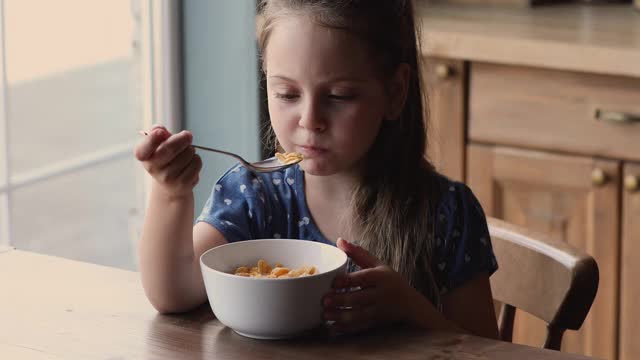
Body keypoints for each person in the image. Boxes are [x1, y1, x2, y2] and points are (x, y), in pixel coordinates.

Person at [134, 0, 499, 339]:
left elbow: (486, 353)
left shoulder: (447, 214)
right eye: (288, 94)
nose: (310, 121)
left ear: (395, 92)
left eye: (339, 96)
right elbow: (175, 291)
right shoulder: (253, 194)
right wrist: (171, 193)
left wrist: (410, 310)